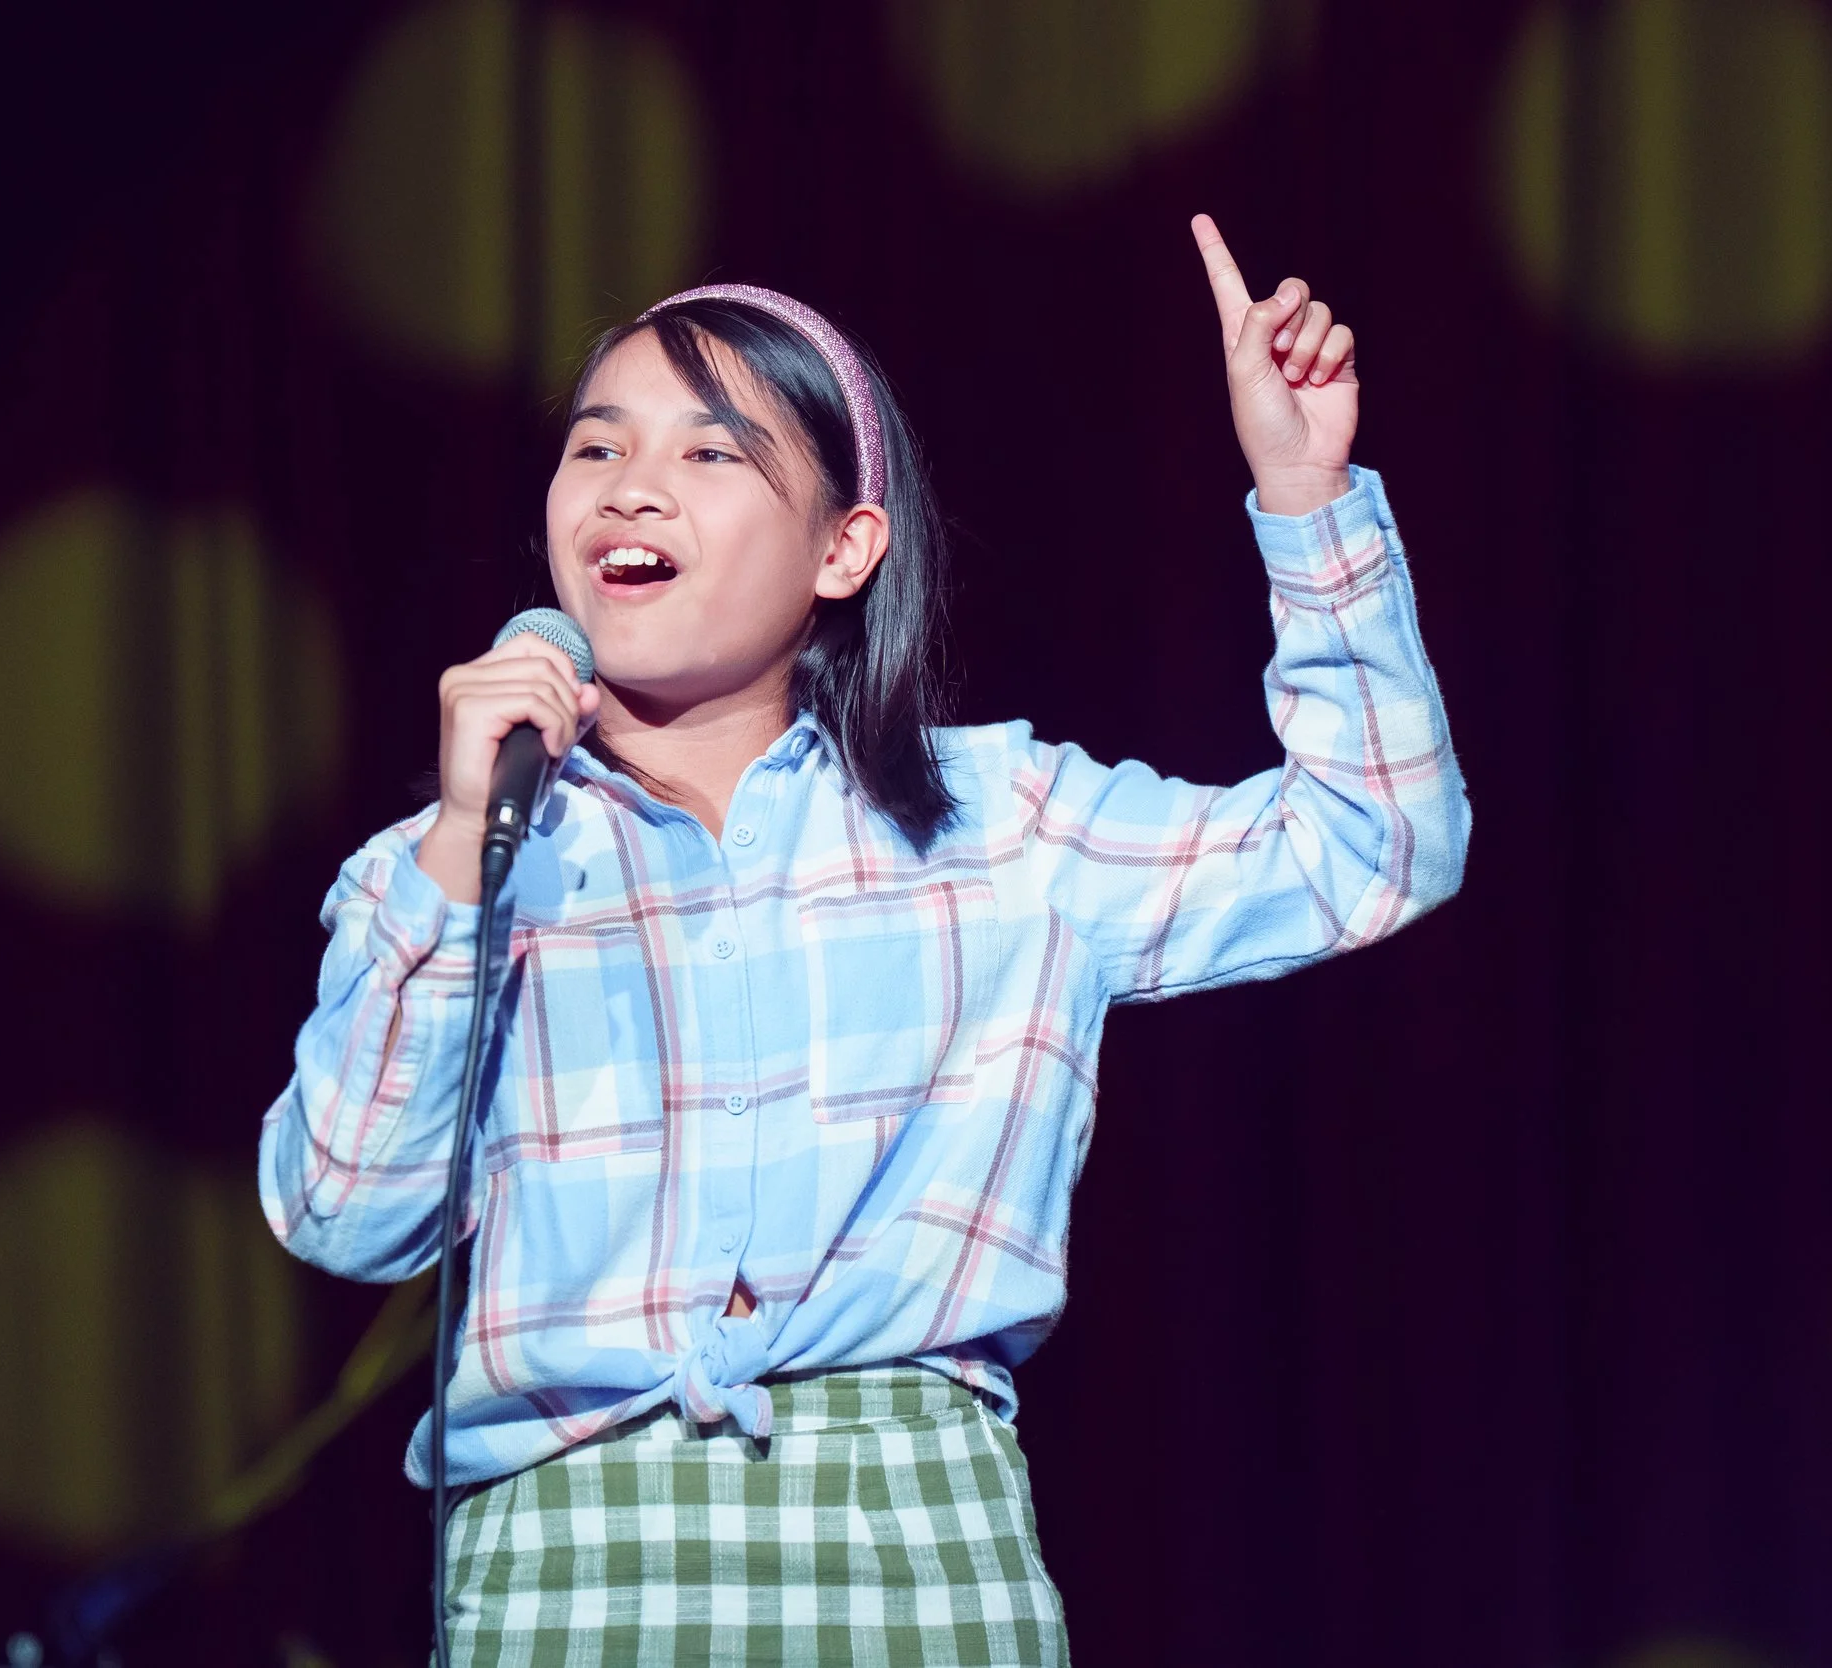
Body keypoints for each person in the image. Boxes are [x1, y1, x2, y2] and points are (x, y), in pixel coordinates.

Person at [259, 215, 1468, 1665]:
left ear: (846, 548)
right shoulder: (460, 866)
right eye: (597, 448)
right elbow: (342, 1210)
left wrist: (1307, 491)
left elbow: (1375, 846)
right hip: (565, 1560)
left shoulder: (998, 823)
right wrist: (462, 852)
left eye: (711, 453)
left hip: (909, 1539)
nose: (633, 487)